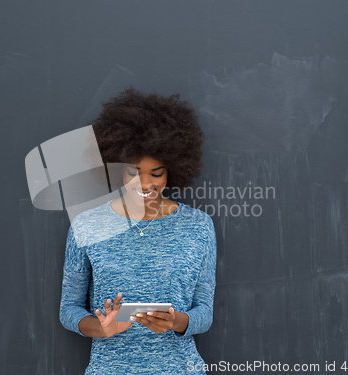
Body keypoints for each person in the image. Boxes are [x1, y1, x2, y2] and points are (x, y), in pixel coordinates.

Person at [59, 86, 217, 374]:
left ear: (173, 170)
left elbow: (204, 311)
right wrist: (100, 328)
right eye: (134, 172)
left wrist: (176, 321)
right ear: (116, 167)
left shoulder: (198, 226)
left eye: (156, 173)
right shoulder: (86, 225)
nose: (145, 184)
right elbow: (69, 309)